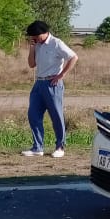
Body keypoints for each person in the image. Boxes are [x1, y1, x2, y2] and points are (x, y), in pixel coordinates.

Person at [22, 20, 78, 158]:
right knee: (33, 115)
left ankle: (60, 147)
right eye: (31, 37)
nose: (33, 39)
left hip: (53, 83)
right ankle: (37, 148)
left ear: (44, 33)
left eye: (35, 36)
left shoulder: (56, 43)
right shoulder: (37, 45)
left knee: (56, 116)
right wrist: (32, 48)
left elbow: (73, 57)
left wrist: (61, 75)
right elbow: (31, 64)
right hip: (39, 83)